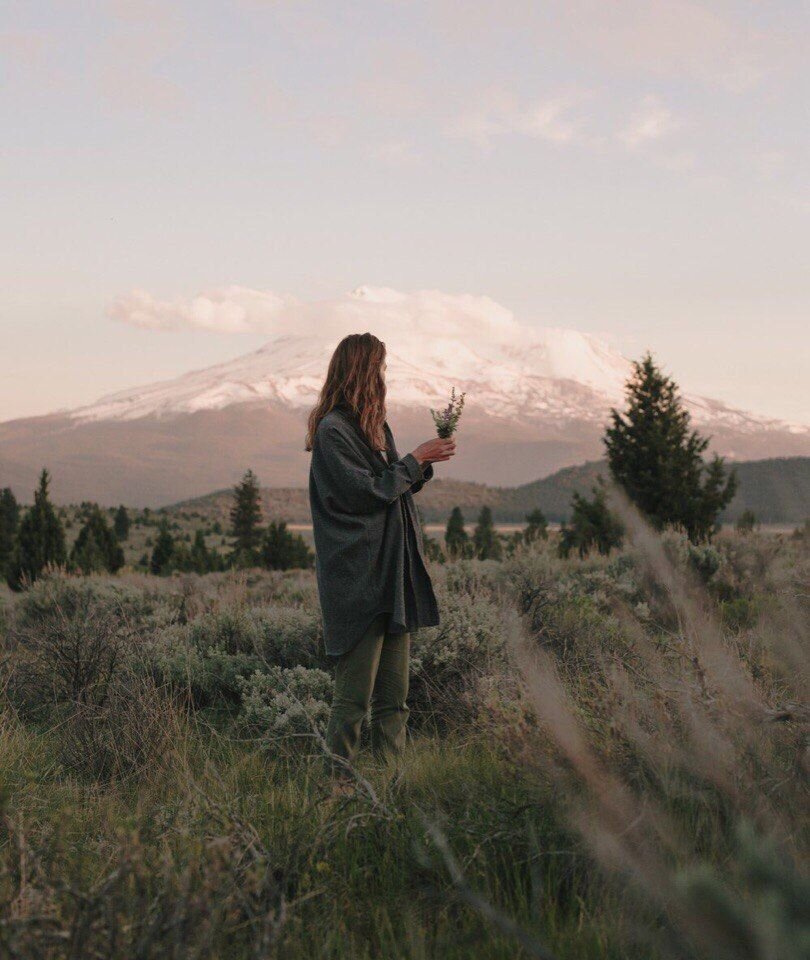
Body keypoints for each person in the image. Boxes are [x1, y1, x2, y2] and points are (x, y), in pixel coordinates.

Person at [306, 332, 456, 779]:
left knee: (395, 699)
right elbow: (368, 492)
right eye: (379, 367)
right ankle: (335, 790)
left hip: (393, 578)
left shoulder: (374, 426)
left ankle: (393, 789)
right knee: (353, 701)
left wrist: (421, 465)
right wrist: (415, 459)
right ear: (361, 371)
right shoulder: (333, 431)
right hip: (359, 580)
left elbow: (391, 483)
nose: (383, 377)